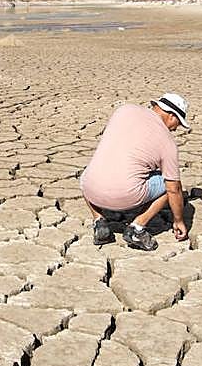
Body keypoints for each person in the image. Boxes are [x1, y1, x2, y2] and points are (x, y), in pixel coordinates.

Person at [79, 93, 190, 251]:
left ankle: (99, 221)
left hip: (91, 188)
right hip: (126, 195)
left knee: (89, 173)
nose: (175, 129)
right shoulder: (168, 142)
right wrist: (178, 220)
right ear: (172, 116)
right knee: (169, 184)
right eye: (178, 124)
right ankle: (137, 228)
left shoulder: (124, 110)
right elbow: (174, 189)